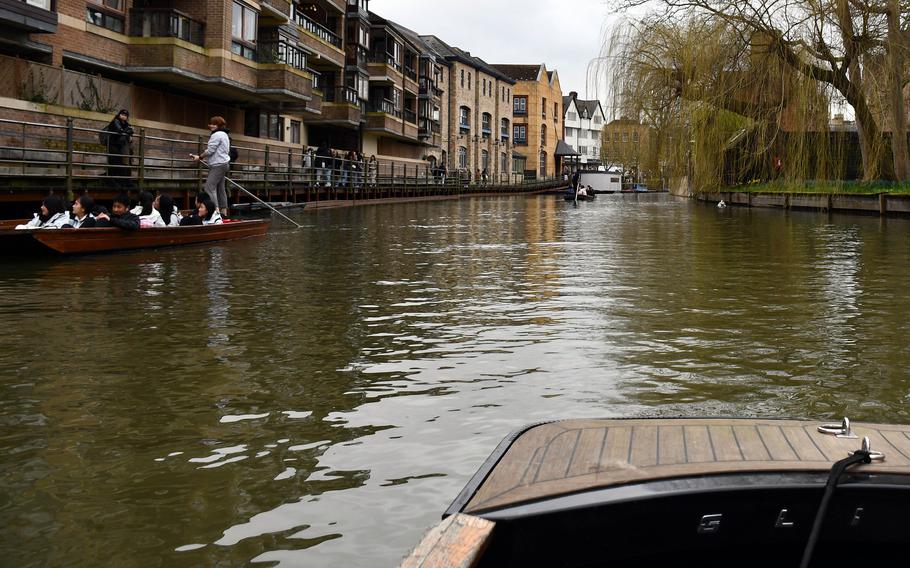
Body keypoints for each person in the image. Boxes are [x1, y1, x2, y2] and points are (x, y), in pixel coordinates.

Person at [191, 116, 231, 218]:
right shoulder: (225, 134)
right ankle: (223, 212)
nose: (211, 126)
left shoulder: (216, 135)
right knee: (220, 188)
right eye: (211, 124)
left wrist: (199, 157)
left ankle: (215, 212)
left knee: (209, 188)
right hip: (224, 164)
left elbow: (210, 150)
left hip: (218, 165)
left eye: (214, 124)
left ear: (219, 125)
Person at [102, 109, 133, 184]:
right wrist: (127, 130)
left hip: (120, 146)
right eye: (122, 114)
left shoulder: (126, 123)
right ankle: (110, 180)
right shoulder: (116, 121)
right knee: (114, 162)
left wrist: (128, 130)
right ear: (119, 115)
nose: (123, 116)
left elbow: (131, 131)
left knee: (119, 163)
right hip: (113, 144)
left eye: (125, 115)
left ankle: (118, 180)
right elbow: (119, 130)